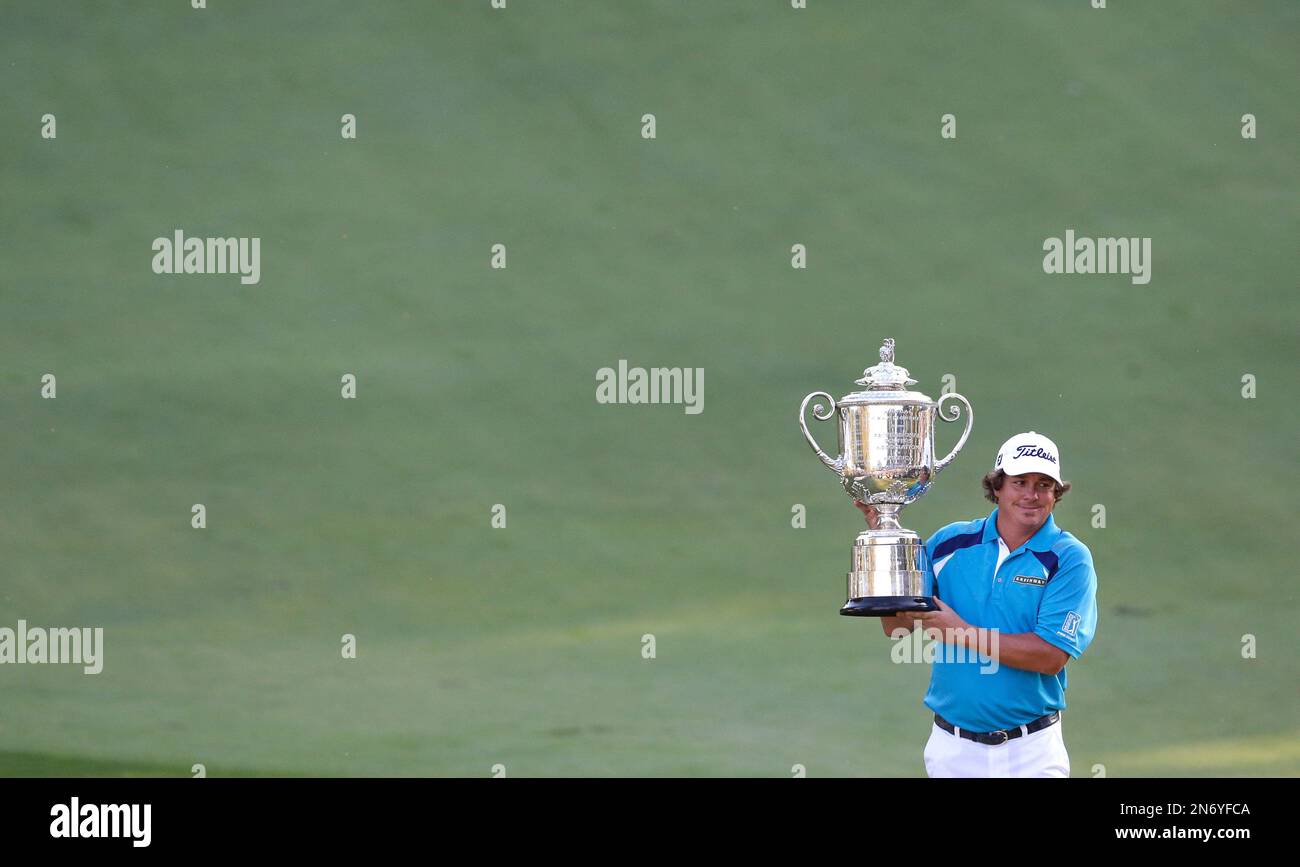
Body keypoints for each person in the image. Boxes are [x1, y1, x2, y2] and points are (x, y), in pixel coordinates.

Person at [856, 431, 1098, 778]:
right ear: (997, 486)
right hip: (952, 751)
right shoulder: (949, 544)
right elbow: (896, 627)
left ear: (1056, 494)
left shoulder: (1068, 558)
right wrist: (888, 544)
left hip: (1031, 752)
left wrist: (962, 633)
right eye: (1020, 482)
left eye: (1044, 485)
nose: (1032, 495)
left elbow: (1049, 656)